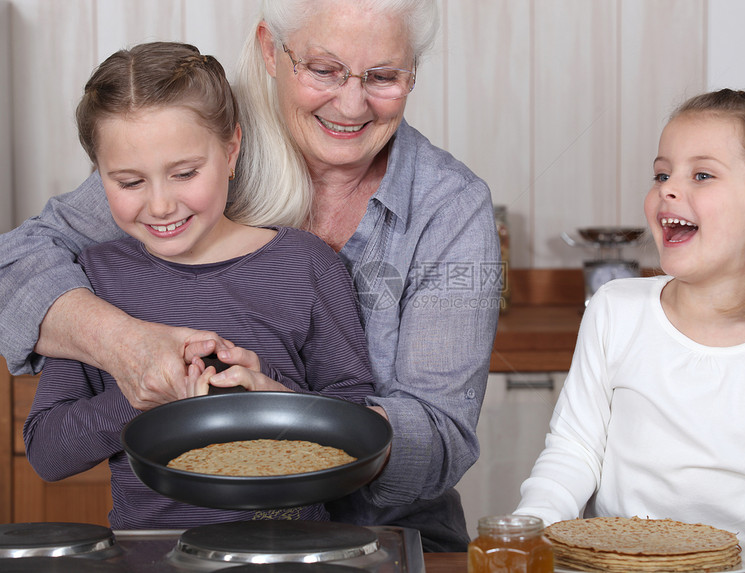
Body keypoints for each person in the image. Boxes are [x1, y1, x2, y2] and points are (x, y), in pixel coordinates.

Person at [0, 0, 500, 551]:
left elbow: (439, 437)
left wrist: (279, 410)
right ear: (270, 49)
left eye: (383, 77)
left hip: (379, 539)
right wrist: (128, 351)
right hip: (161, 548)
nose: (351, 103)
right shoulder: (185, 143)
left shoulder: (446, 209)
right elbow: (20, 259)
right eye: (324, 69)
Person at [22, 41, 376, 529]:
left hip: (295, 551)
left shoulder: (307, 264)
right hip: (151, 558)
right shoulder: (92, 280)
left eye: (184, 173)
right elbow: (47, 453)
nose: (162, 204)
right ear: (98, 176)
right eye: (129, 182)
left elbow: (359, 424)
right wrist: (141, 392)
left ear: (230, 151)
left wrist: (269, 394)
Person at [515, 89, 745, 573]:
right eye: (662, 173)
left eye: (702, 175)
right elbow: (574, 450)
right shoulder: (615, 311)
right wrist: (533, 523)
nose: (667, 188)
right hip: (607, 565)